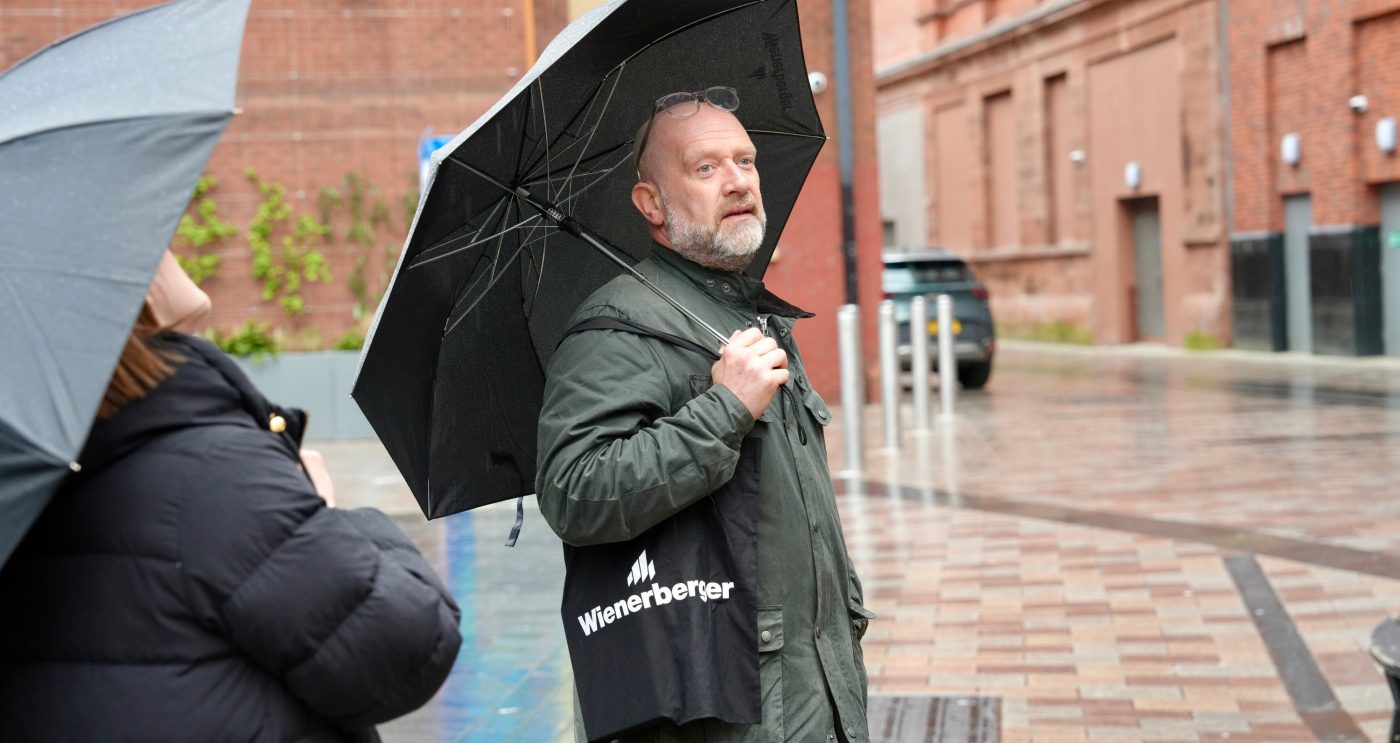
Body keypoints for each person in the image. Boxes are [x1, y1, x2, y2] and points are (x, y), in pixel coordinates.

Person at [0, 252, 463, 741]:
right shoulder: (208, 476)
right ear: (116, 292)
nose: (168, 246)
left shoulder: (34, 482)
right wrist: (338, 520)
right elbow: (403, 653)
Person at [536, 87, 874, 742]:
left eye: (744, 161)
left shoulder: (751, 313)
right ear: (651, 204)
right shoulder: (618, 327)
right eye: (706, 167)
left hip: (817, 691)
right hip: (723, 705)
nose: (739, 181)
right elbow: (575, 491)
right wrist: (723, 409)